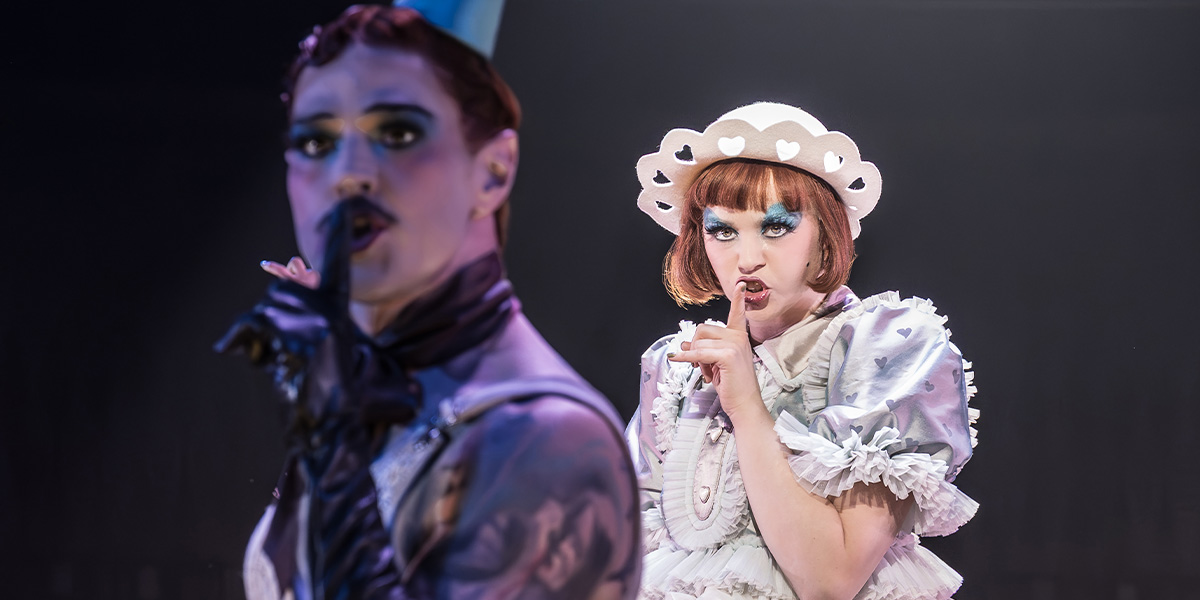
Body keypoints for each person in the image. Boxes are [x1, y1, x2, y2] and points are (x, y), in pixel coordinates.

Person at [216, 4, 641, 599]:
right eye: (316, 140)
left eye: (397, 133)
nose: (348, 174)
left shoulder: (546, 436)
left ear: (493, 171)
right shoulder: (376, 393)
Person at [626, 102, 979, 600]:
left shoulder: (880, 348)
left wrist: (747, 407)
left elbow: (829, 581)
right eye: (722, 230)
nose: (747, 259)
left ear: (824, 231)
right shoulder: (675, 366)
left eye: (776, 227)